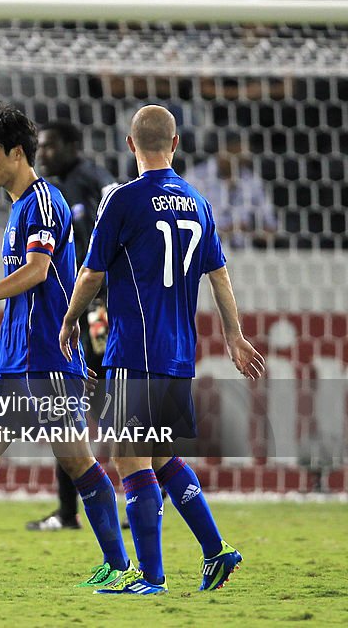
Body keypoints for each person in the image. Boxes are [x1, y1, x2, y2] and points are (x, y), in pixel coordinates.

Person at [0, 104, 129, 589]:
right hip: (14, 358)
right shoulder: (17, 208)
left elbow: (37, 272)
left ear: (16, 152)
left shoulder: (46, 200)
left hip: (48, 356)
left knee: (76, 460)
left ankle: (119, 565)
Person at [60, 105, 266, 594]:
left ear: (130, 146)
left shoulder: (123, 201)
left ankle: (150, 577)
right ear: (175, 145)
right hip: (177, 351)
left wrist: (69, 320)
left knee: (131, 460)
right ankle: (217, 551)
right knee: (159, 458)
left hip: (135, 350)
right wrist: (234, 335)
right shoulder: (199, 201)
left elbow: (91, 273)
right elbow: (218, 274)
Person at [26, 120, 119, 532]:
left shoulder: (95, 182)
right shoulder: (51, 191)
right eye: (39, 148)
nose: (42, 154)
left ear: (71, 144)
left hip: (97, 310)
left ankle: (153, 489)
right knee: (69, 406)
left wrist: (101, 301)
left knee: (106, 400)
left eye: (48, 146)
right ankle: (68, 512)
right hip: (72, 311)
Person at [182, 131, 277, 249]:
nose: (244, 156)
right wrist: (227, 230)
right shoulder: (194, 178)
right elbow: (183, 226)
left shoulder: (251, 180)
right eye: (236, 151)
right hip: (205, 256)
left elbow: (271, 228)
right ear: (222, 150)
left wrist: (251, 232)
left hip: (247, 255)